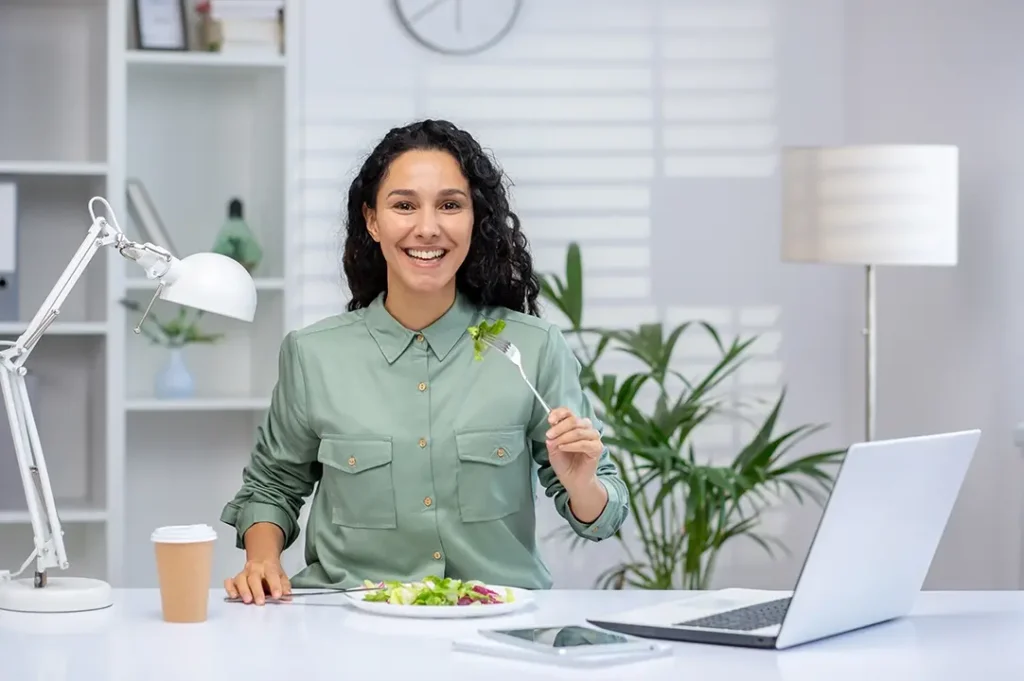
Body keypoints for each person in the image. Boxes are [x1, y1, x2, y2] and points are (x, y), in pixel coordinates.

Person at [220, 119, 629, 605]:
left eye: (450, 205)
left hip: (494, 625)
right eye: (404, 205)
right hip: (348, 624)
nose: (428, 227)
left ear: (475, 219)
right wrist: (262, 559)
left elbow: (602, 518)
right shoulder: (313, 355)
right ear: (373, 220)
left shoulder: (534, 349)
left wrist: (581, 485)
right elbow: (273, 486)